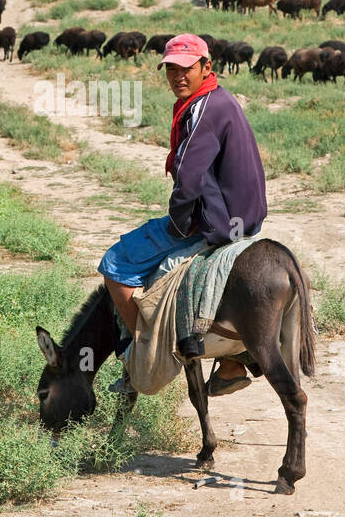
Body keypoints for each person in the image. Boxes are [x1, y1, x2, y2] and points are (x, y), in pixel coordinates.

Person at [98, 34, 268, 397]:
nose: (178, 77)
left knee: (116, 264)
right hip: (246, 218)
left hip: (217, 223)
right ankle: (238, 358)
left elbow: (188, 181)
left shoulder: (203, 109)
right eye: (171, 69)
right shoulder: (220, 100)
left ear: (207, 67)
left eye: (186, 69)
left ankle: (140, 353)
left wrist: (177, 226)